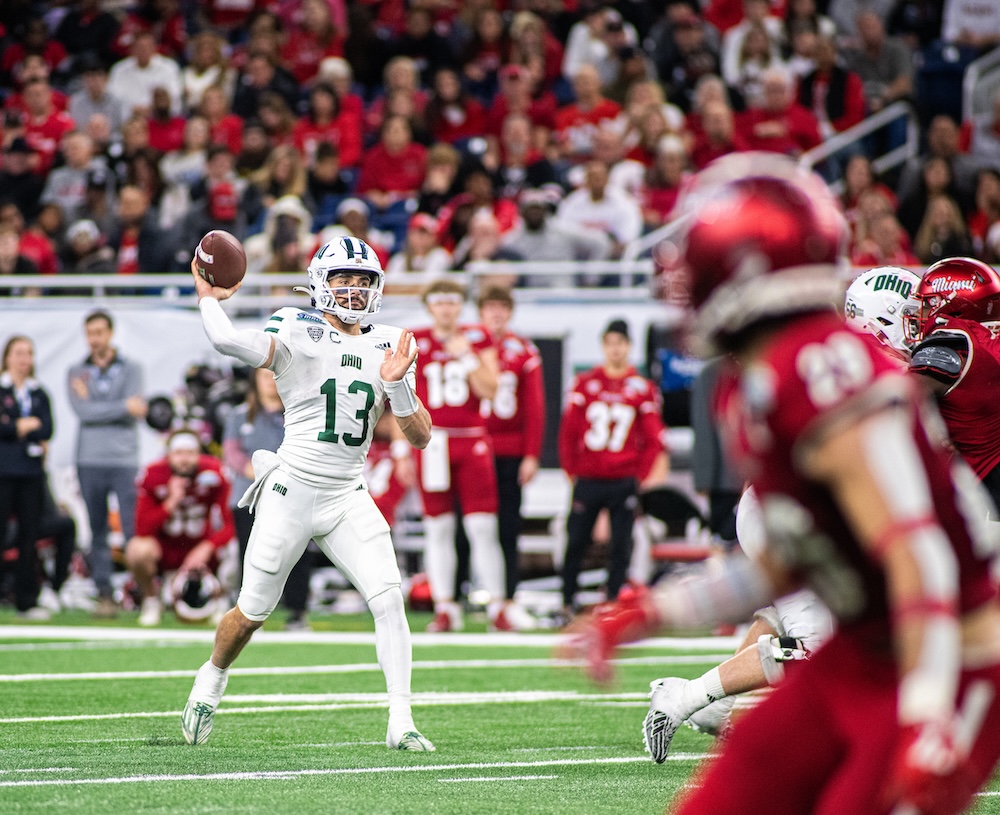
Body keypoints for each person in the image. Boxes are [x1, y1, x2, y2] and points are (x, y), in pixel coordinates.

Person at [564, 154, 1000, 815]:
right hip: (860, 650)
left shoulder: (826, 375)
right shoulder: (757, 385)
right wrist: (658, 611)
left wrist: (926, 713)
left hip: (946, 658)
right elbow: (783, 561)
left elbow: (921, 556)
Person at [643, 265, 923, 760]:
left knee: (782, 615)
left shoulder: (849, 362)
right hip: (789, 511)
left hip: (790, 508)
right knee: (818, 644)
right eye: (908, 314)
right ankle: (686, 697)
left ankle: (712, 706)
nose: (918, 324)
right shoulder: (860, 373)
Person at [181, 234, 435, 753]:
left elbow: (421, 436)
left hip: (347, 493)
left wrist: (399, 386)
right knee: (251, 611)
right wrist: (208, 297)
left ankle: (401, 720)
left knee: (389, 599)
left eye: (363, 281)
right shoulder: (297, 326)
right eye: (343, 279)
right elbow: (232, 344)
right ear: (321, 282)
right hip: (292, 487)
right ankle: (210, 679)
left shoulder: (391, 342)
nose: (353, 290)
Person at [410, 279, 520, 633]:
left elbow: (490, 389)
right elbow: (398, 395)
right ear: (429, 305)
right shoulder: (415, 339)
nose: (446, 309)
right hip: (433, 442)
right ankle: (445, 606)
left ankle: (497, 606)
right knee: (437, 528)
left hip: (472, 441)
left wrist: (467, 356)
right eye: (439, 301)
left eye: (452, 301)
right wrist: (401, 447)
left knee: (482, 527)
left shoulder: (477, 337)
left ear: (461, 305)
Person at [558, 319, 667, 615]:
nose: (615, 349)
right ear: (603, 346)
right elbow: (568, 432)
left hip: (622, 478)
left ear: (629, 347)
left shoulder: (640, 387)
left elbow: (654, 439)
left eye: (620, 343)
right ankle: (568, 601)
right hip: (589, 476)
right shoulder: (586, 382)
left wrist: (638, 476)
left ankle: (613, 601)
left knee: (622, 543)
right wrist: (572, 471)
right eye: (610, 343)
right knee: (576, 540)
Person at [67, 310, 146, 618]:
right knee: (97, 529)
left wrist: (99, 405)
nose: (95, 339)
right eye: (90, 333)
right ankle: (104, 594)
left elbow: (135, 408)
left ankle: (140, 592)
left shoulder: (132, 368)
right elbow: (82, 412)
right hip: (88, 459)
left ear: (110, 333)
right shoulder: (77, 370)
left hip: (123, 459)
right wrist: (121, 406)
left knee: (131, 528)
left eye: (100, 332)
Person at [907, 257, 1000, 512]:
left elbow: (900, 399)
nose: (920, 313)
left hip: (986, 499)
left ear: (954, 304)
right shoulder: (986, 338)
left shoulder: (951, 340)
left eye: (928, 304)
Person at [222, 367, 312, 630]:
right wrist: (252, 468)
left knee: (296, 552)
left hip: (291, 494)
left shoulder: (300, 413)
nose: (271, 382)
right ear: (255, 381)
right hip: (249, 495)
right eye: (264, 376)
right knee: (249, 555)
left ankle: (297, 611)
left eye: (275, 376)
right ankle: (248, 614)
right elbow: (231, 450)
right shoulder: (239, 415)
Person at [478, 285, 546, 609]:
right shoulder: (468, 345)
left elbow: (534, 407)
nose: (495, 313)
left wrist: (531, 454)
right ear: (480, 312)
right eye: (490, 306)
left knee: (507, 525)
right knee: (470, 524)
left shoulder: (523, 351)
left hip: (507, 450)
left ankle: (507, 594)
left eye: (501, 306)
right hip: (472, 447)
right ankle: (467, 591)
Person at [125, 429, 235, 627]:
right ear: (168, 455)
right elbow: (142, 529)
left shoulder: (214, 472)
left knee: (238, 547)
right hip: (166, 549)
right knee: (137, 549)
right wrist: (171, 501)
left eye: (190, 453)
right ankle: (151, 599)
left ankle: (222, 600)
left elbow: (231, 523)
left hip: (201, 547)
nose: (184, 459)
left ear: (199, 454)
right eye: (178, 453)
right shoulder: (154, 473)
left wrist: (208, 547)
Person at [0, 335, 54, 620]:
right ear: (7, 357)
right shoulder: (3, 389)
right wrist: (19, 426)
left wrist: (15, 426)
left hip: (31, 473)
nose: (24, 359)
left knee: (29, 536)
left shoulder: (38, 393)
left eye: (29, 353)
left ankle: (26, 599)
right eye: (18, 353)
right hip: (4, 473)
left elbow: (46, 429)